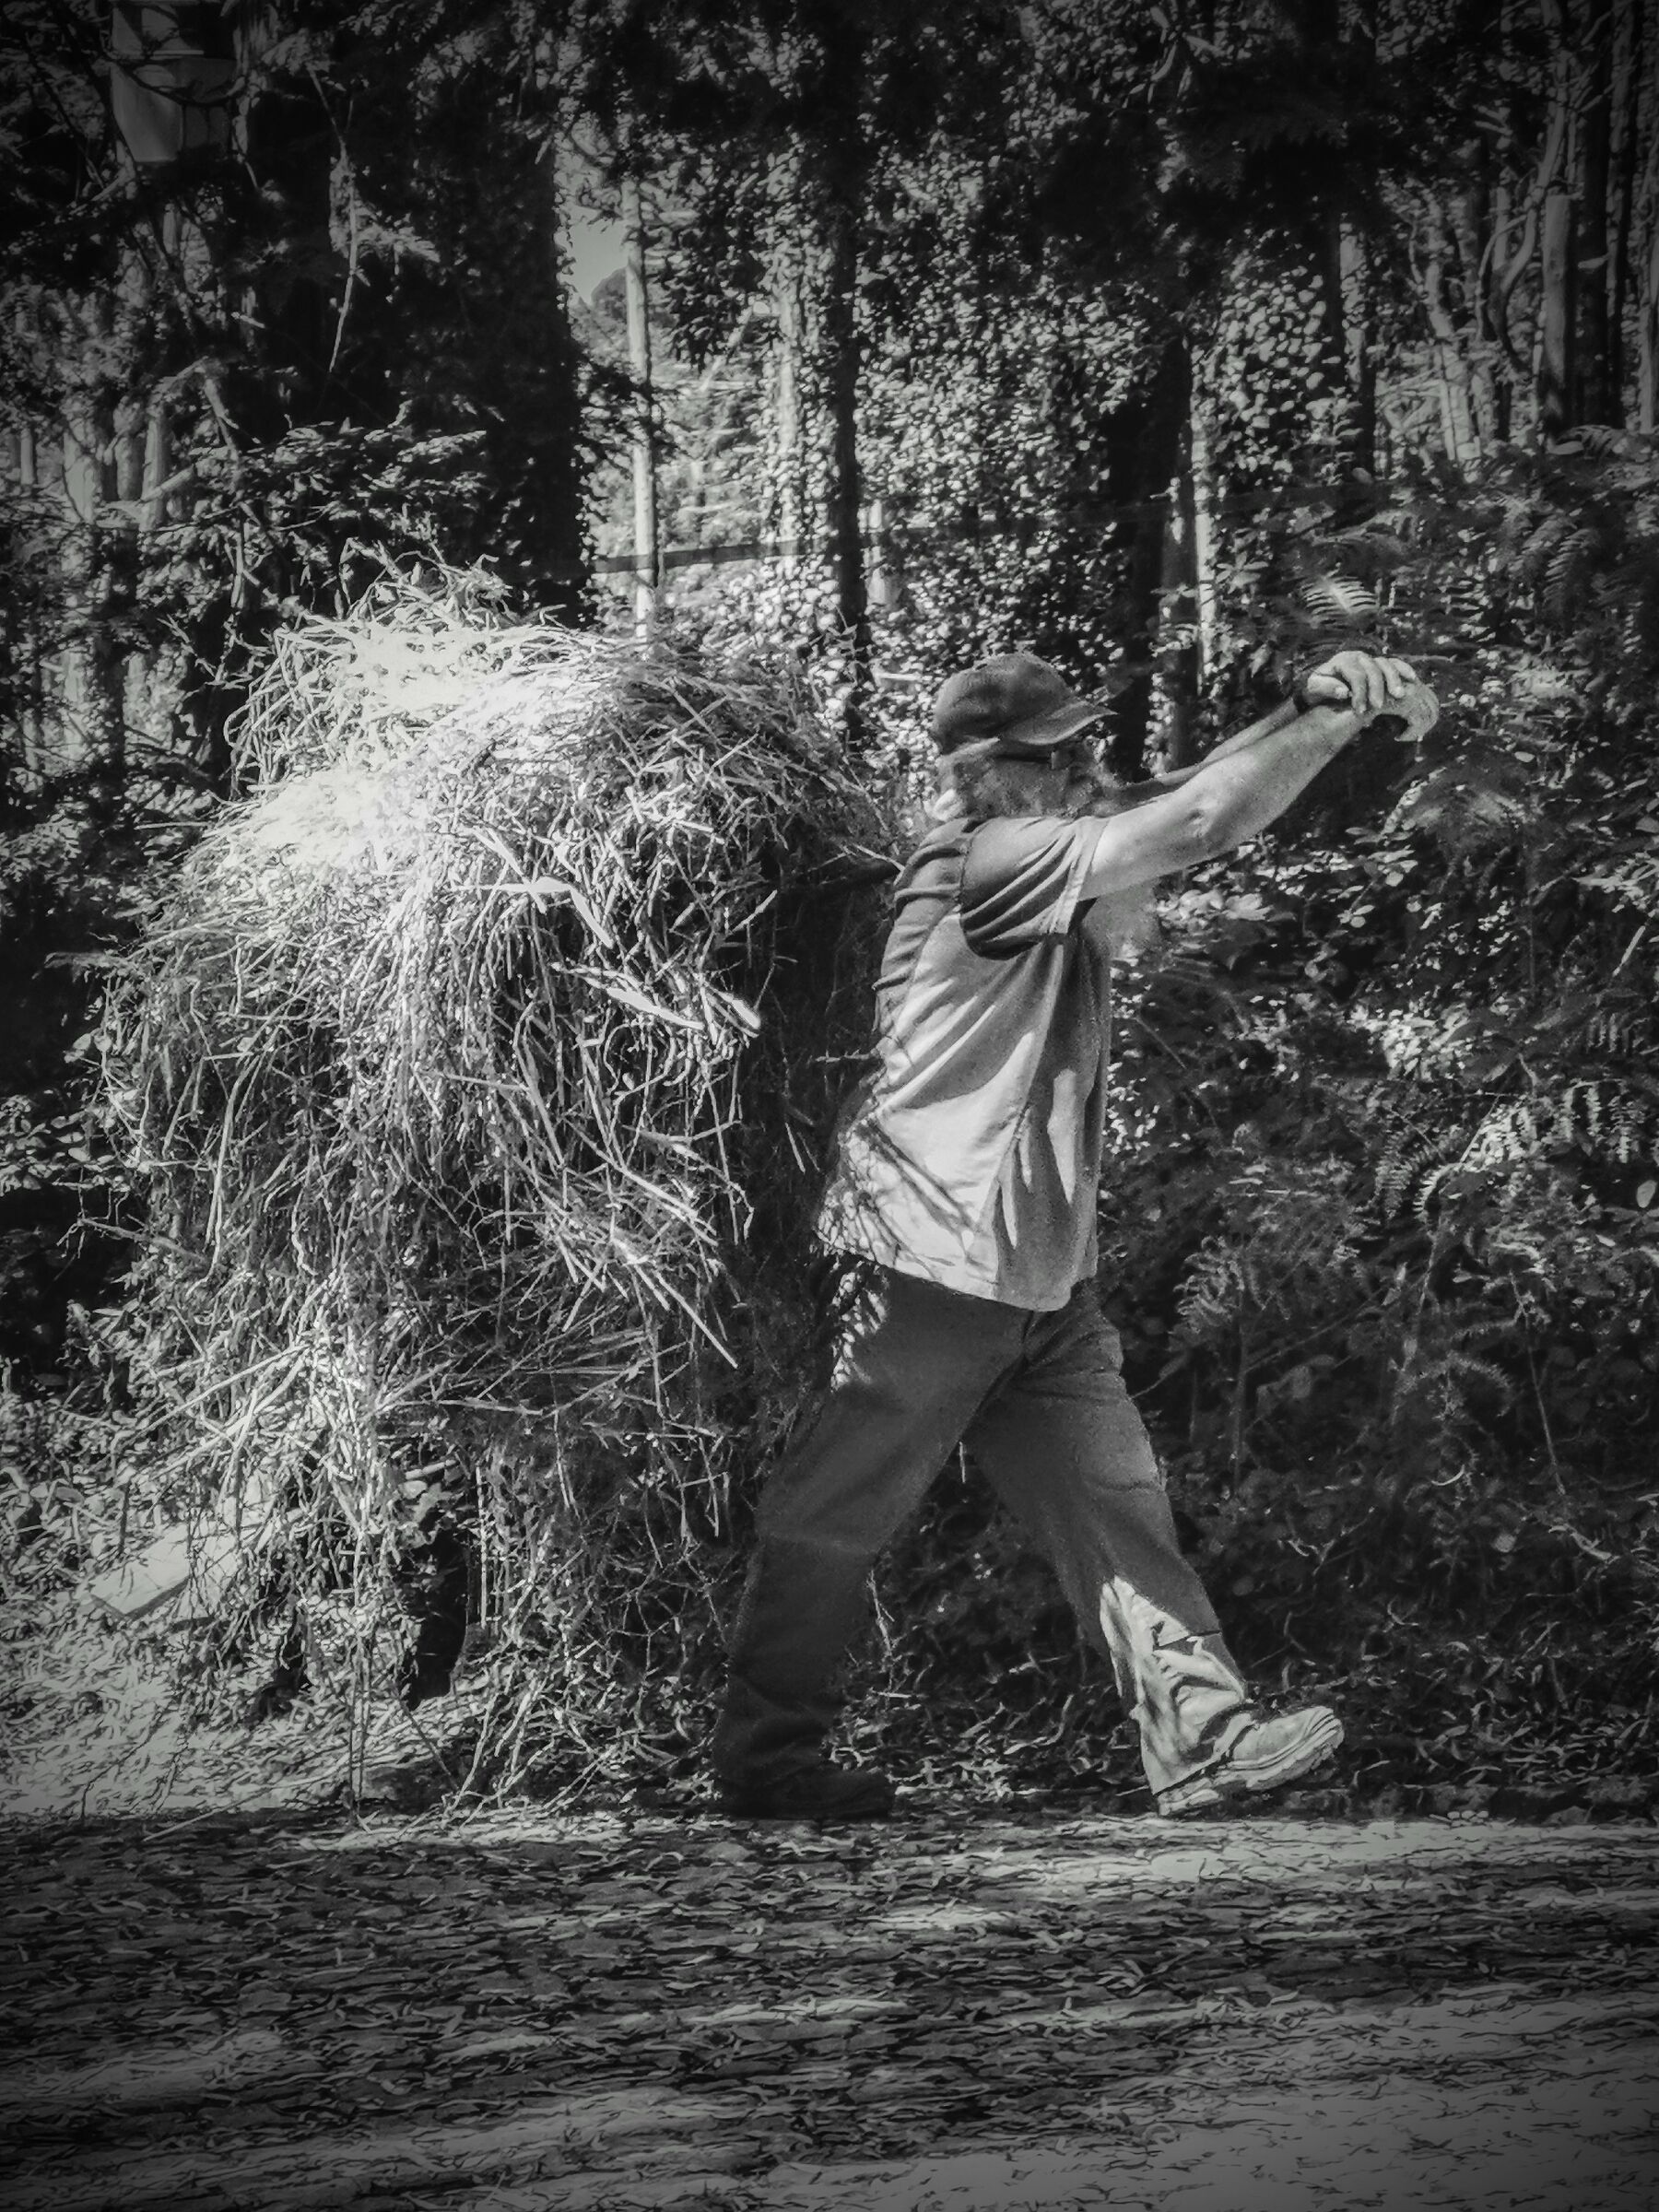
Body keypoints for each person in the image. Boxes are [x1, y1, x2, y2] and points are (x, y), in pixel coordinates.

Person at [711, 647, 1437, 1820]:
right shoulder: (989, 859)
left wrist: (1309, 701)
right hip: (928, 1259)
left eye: (1083, 745)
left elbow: (1176, 787)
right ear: (989, 773)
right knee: (833, 1513)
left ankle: (1204, 1742)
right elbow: (1196, 819)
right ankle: (767, 1762)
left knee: (1114, 1499)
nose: (1085, 768)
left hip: (1040, 1280)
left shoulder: (1046, 831)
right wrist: (1340, 722)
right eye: (1057, 755)